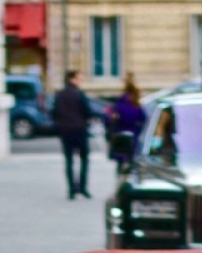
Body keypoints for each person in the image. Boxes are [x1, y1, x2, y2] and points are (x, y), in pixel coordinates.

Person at [52, 70, 99, 199]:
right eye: (79, 78)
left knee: (69, 161)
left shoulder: (59, 95)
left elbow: (54, 113)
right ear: (72, 79)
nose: (80, 81)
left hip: (65, 131)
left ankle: (71, 189)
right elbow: (88, 111)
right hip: (79, 130)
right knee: (84, 159)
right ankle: (82, 187)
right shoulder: (79, 94)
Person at [106, 76, 147, 174]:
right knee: (131, 162)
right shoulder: (135, 104)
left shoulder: (119, 103)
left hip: (120, 134)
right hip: (132, 135)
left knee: (120, 162)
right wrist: (137, 130)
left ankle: (120, 179)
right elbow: (143, 118)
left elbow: (110, 119)